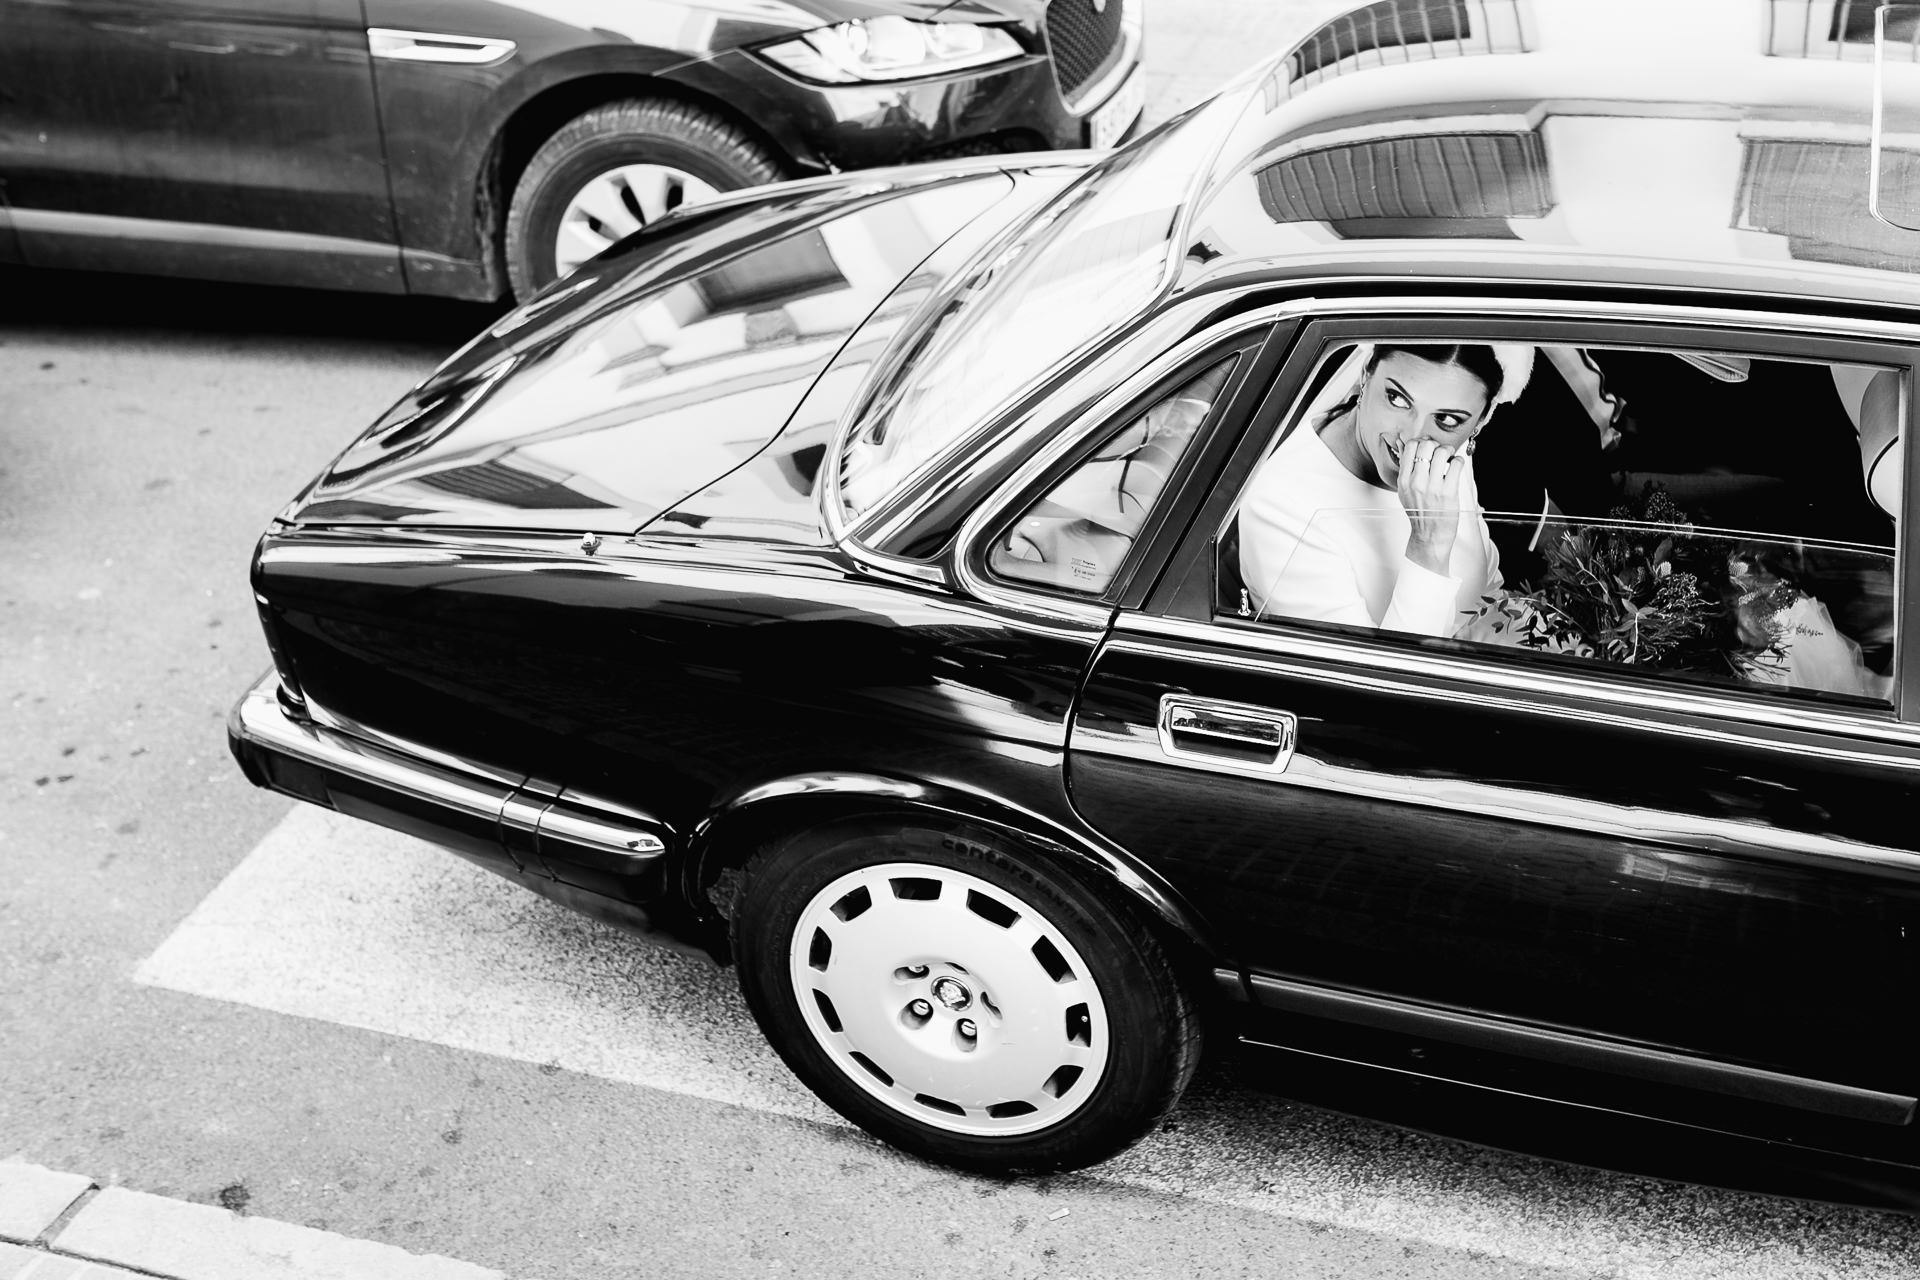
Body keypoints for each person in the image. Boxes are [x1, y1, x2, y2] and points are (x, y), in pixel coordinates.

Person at [1238, 343, 1531, 637]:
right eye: (1397, 399)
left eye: (1447, 419)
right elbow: (1365, 679)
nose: (1411, 437)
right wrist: (1428, 547)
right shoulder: (1281, 506)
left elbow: (1488, 590)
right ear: (1366, 375)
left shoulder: (1447, 453)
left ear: (1479, 423)